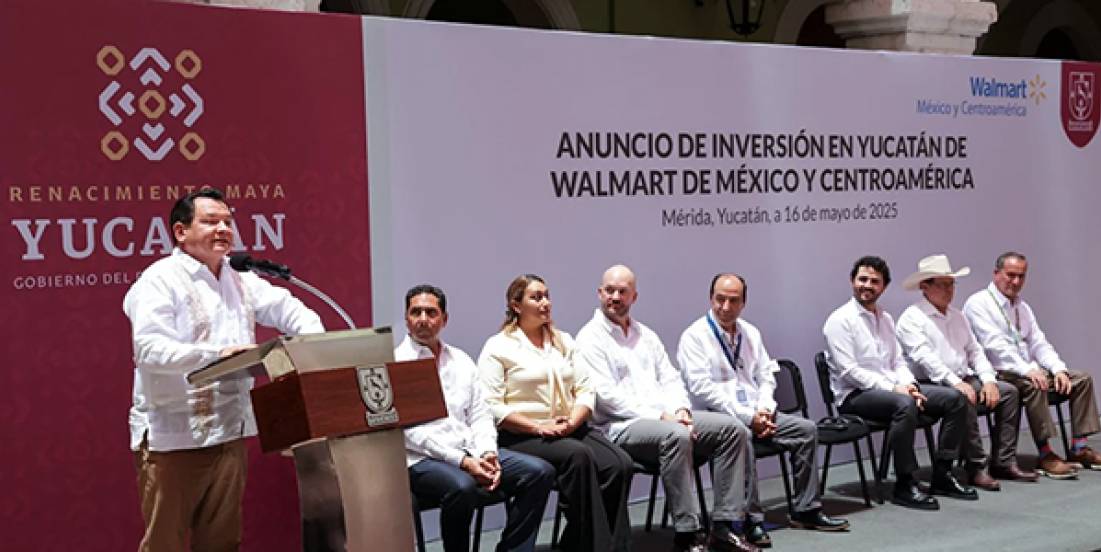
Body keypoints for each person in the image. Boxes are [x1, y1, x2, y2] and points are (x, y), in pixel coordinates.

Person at [124, 188, 324, 552]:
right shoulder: (159, 279)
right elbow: (150, 350)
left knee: (222, 543)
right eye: (211, 221)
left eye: (228, 222)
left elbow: (289, 309)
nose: (223, 230)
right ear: (180, 231)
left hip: (229, 431)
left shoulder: (238, 275)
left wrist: (314, 343)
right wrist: (218, 355)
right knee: (165, 544)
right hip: (175, 437)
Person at [575, 265, 759, 552]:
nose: (615, 297)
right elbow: (605, 397)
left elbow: (671, 378)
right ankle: (687, 534)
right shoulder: (589, 338)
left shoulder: (645, 335)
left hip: (667, 419)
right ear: (599, 293)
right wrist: (663, 417)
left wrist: (681, 410)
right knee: (677, 436)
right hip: (620, 426)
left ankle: (724, 526)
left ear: (634, 296)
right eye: (609, 290)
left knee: (733, 430)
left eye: (622, 291)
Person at [679, 272, 849, 548]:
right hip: (719, 419)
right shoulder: (694, 336)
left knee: (806, 430)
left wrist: (765, 410)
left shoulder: (750, 333)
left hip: (756, 413)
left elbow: (767, 375)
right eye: (720, 299)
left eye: (733, 300)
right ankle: (752, 520)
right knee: (742, 435)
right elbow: (701, 389)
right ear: (710, 298)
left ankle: (806, 509)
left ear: (743, 303)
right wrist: (749, 418)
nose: (725, 307)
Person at [478, 274, 634, 552]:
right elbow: (491, 405)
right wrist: (539, 427)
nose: (545, 303)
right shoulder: (498, 347)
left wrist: (573, 421)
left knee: (619, 463)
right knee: (578, 456)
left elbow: (586, 388)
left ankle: (583, 543)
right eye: (536, 297)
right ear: (516, 305)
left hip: (567, 427)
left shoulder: (563, 341)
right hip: (522, 434)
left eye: (547, 296)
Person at [398, 284, 554, 552]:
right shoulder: (396, 363)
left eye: (431, 313)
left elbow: (481, 415)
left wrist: (488, 453)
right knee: (463, 487)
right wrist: (463, 462)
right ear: (406, 318)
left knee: (539, 473)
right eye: (416, 312)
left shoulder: (460, 360)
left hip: (470, 450)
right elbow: (408, 432)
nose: (423, 319)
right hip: (421, 459)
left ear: (444, 319)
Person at [822, 255, 976, 510]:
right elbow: (850, 371)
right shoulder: (840, 320)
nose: (867, 285)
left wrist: (909, 385)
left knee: (954, 399)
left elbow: (898, 362)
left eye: (874, 281)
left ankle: (943, 473)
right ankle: (905, 483)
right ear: (852, 281)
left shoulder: (885, 319)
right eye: (862, 279)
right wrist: (896, 389)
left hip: (895, 390)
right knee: (904, 405)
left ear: (884, 286)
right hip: (855, 396)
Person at [895, 254, 1036, 490]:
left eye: (951, 284)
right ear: (924, 287)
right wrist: (955, 382)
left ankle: (1003, 461)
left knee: (1009, 392)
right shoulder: (912, 318)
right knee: (962, 397)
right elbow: (926, 359)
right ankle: (976, 466)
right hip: (930, 383)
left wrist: (988, 380)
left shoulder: (957, 316)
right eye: (942, 284)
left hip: (963, 377)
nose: (949, 290)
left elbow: (975, 351)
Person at [963, 251, 1101, 478]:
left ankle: (1079, 448)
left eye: (1021, 276)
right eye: (1011, 275)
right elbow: (995, 347)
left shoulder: (1022, 307)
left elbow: (1039, 342)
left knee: (1081, 379)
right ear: (996, 274)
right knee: (1034, 384)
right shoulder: (978, 303)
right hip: (999, 372)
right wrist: (1028, 370)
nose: (1016, 281)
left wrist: (1058, 369)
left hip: (1028, 369)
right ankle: (1046, 454)